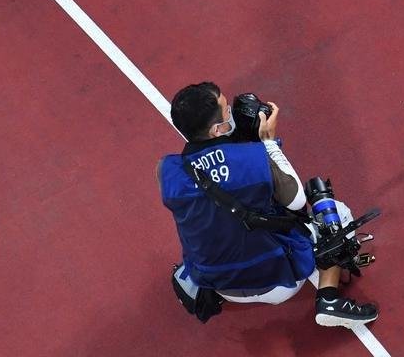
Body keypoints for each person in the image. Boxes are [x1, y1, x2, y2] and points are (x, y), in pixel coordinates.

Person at [159, 82, 379, 329]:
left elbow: (216, 172)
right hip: (279, 283)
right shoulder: (252, 157)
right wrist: (268, 144)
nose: (232, 110)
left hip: (218, 284)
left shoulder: (168, 172)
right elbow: (296, 201)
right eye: (227, 109)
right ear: (217, 129)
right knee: (333, 209)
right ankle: (328, 298)